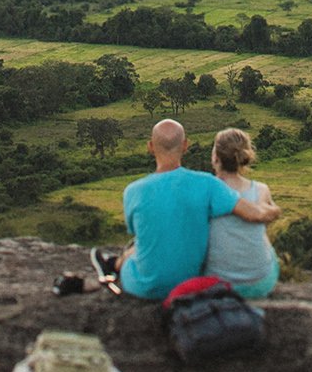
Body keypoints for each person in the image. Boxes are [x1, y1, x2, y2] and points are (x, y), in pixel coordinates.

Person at [91, 119, 279, 299]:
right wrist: (275, 210)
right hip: (193, 281)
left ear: (150, 147)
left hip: (143, 287)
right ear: (185, 145)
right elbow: (255, 214)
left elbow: (139, 234)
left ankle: (112, 265)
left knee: (139, 244)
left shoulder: (132, 191)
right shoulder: (207, 184)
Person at [202, 128, 279, 298]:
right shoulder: (261, 190)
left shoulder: (205, 191)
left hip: (218, 283)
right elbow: (268, 219)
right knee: (264, 239)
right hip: (260, 283)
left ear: (215, 157)